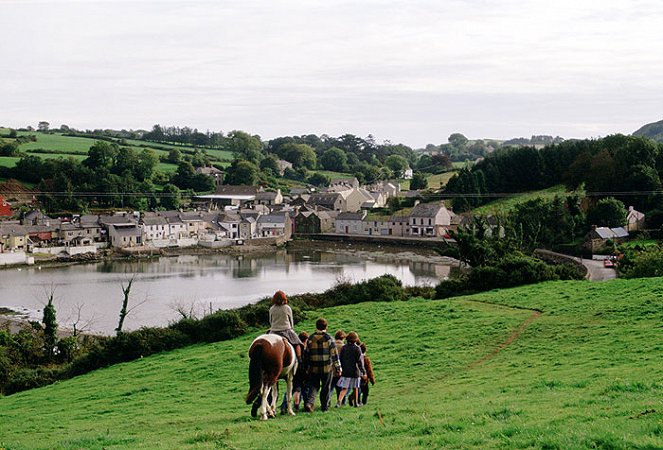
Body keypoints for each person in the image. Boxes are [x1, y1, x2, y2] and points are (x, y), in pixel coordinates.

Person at [303, 318, 342, 412]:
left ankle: (309, 403)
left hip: (313, 367)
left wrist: (306, 367)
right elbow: (334, 355)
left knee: (313, 386)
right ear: (326, 327)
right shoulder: (329, 338)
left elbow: (306, 354)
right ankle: (324, 407)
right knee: (326, 387)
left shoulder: (310, 338)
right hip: (326, 368)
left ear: (316, 326)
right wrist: (338, 368)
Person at [269, 290, 303, 362]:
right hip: (286, 330)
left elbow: (270, 321)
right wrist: (292, 329)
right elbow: (291, 321)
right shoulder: (287, 308)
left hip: (273, 331)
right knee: (297, 343)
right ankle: (299, 359)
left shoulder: (271, 309)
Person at [336, 331, 364, 408]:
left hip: (345, 370)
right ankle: (356, 403)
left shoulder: (344, 348)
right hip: (355, 371)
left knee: (344, 388)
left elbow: (340, 358)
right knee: (355, 388)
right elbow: (359, 361)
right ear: (355, 339)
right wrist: (363, 371)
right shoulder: (357, 348)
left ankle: (339, 402)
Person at [331, 329, 346, 403]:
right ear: (343, 338)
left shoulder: (331, 345)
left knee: (330, 387)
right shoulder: (344, 347)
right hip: (340, 369)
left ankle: (327, 401)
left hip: (331, 369)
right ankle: (341, 402)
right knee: (340, 387)